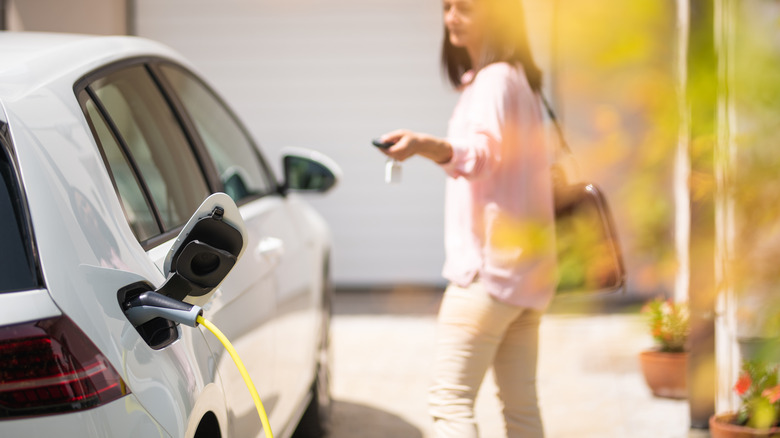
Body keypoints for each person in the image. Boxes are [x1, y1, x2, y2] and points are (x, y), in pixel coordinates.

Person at [376, 0, 556, 437]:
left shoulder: (495, 81)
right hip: (525, 275)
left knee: (449, 401)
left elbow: (482, 155)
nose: (451, 17)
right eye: (447, 6)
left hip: (487, 275)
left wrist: (423, 144)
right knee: (521, 408)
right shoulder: (519, 80)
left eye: (466, 8)